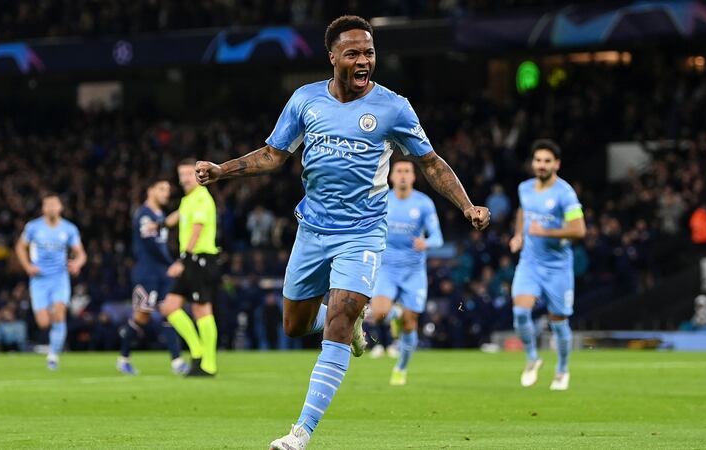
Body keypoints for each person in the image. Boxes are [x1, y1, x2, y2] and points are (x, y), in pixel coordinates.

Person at [194, 15, 490, 449]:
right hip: (312, 231)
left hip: (364, 232)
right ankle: (345, 325)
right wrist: (222, 171)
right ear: (332, 57)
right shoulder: (305, 100)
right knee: (294, 326)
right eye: (352, 53)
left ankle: (301, 433)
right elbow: (274, 155)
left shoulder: (394, 106)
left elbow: (431, 163)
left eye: (369, 52)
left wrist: (466, 205)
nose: (363, 60)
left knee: (342, 312)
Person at [509, 139, 586, 391]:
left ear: (557, 164)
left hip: (557, 267)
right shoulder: (525, 188)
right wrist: (519, 235)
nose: (541, 165)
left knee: (558, 321)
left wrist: (545, 231)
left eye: (547, 161)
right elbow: (523, 212)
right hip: (529, 263)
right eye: (538, 160)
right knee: (520, 312)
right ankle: (532, 358)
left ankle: (562, 369)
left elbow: (579, 229)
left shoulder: (565, 194)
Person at [369, 160, 444, 386]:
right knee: (379, 312)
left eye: (407, 172)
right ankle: (396, 315)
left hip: (413, 271)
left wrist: (426, 243)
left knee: (411, 324)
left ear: (413, 177)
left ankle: (401, 367)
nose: (402, 175)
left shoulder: (423, 203)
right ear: (391, 176)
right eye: (399, 171)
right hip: (387, 268)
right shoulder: (381, 200)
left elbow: (438, 238)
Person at [117, 179, 190, 375]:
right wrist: (172, 263)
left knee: (170, 312)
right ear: (150, 191)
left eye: (168, 189)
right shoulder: (143, 214)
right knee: (141, 316)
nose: (166, 193)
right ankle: (123, 358)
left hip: (162, 274)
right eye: (161, 189)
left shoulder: (160, 215)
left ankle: (177, 362)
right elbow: (150, 245)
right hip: (147, 273)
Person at [158, 159, 221, 377]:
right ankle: (197, 350)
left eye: (189, 174)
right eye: (181, 174)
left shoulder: (202, 197)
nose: (184, 178)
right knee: (169, 307)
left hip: (200, 258)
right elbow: (179, 215)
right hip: (191, 260)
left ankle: (208, 364)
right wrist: (160, 224)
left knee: (201, 309)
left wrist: (182, 259)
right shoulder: (189, 199)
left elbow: (196, 229)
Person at [15, 193, 87, 370]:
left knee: (59, 313)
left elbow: (81, 253)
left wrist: (77, 263)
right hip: (39, 279)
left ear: (60, 207)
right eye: (48, 205)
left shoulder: (69, 229)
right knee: (44, 322)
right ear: (43, 208)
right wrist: (27, 266)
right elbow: (20, 247)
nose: (52, 208)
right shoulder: (33, 227)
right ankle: (52, 344)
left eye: (55, 205)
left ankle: (53, 356)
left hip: (59, 278)